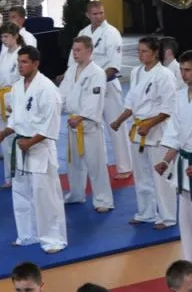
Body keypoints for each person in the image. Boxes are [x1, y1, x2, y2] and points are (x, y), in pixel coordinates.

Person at [0, 47, 67, 254]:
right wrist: (5, 132)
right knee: (21, 193)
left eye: (25, 62)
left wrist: (31, 142)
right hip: (21, 146)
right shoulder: (17, 87)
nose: (20, 66)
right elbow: (17, 117)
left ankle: (53, 239)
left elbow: (50, 124)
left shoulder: (47, 88)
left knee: (45, 196)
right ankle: (28, 235)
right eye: (19, 62)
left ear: (36, 63)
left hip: (40, 148)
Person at [111, 36, 177, 228]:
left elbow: (168, 108)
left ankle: (168, 217)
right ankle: (146, 212)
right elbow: (131, 102)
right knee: (142, 176)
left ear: (155, 53)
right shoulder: (137, 72)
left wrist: (149, 125)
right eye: (138, 51)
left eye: (144, 51)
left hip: (158, 130)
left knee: (161, 175)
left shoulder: (164, 75)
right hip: (138, 129)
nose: (140, 55)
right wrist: (119, 120)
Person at [69, 1, 132, 179]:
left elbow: (114, 65)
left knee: (116, 126)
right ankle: (98, 167)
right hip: (87, 88)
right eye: (95, 14)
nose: (99, 17)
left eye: (101, 13)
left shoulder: (112, 33)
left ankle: (125, 167)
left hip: (108, 85)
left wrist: (96, 80)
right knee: (92, 127)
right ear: (88, 15)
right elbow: (74, 61)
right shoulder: (83, 33)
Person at [59, 36, 114, 212]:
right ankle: (76, 194)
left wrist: (81, 117)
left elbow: (94, 99)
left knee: (95, 165)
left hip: (88, 126)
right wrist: (55, 108)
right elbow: (62, 94)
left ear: (89, 51)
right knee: (73, 164)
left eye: (78, 50)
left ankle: (103, 200)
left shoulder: (97, 73)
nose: (75, 53)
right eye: (73, 50)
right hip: (72, 123)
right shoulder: (71, 70)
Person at [155, 51, 192, 260]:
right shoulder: (180, 97)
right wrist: (165, 160)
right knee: (185, 221)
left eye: (188, 70)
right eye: (182, 70)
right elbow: (176, 134)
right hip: (184, 165)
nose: (183, 74)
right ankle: (189, 263)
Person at [0, 23, 26, 189]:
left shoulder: (21, 55)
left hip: (15, 101)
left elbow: (24, 82)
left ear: (15, 36)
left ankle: (20, 176)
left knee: (15, 140)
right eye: (2, 37)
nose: (4, 40)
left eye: (6, 36)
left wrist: (18, 104)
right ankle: (9, 178)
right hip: (2, 101)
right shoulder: (4, 55)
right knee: (5, 143)